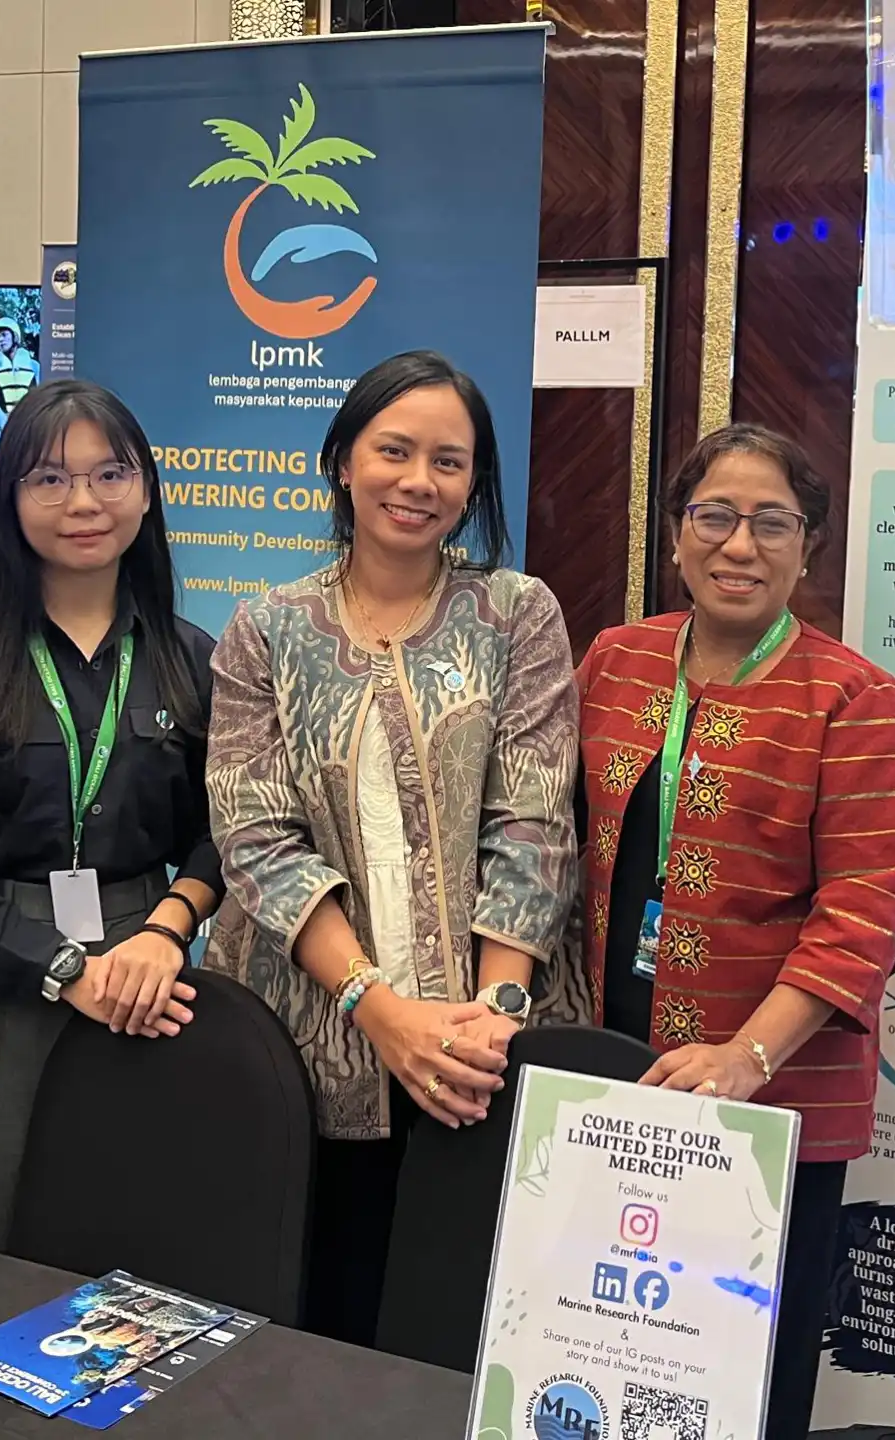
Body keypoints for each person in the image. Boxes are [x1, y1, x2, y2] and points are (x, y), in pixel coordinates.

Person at [205, 350, 585, 1347]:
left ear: (472, 485)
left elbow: (535, 821)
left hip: (485, 1050)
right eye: (395, 451)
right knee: (323, 1316)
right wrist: (376, 1008)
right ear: (342, 461)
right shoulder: (265, 630)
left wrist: (495, 1015)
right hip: (317, 1043)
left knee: (471, 1324)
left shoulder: (517, 614)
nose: (419, 481)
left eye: (449, 462)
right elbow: (255, 838)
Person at [573, 422, 895, 1440]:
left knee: (742, 1379)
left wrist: (746, 1057)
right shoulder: (616, 659)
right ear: (676, 535)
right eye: (715, 516)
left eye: (773, 524)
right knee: (605, 1352)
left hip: (772, 1104)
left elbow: (862, 910)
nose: (740, 545)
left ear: (809, 547)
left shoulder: (853, 698)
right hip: (616, 1080)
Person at [0, 379, 221, 1250]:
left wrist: (167, 930)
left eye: (110, 475)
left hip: (148, 973)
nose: (84, 503)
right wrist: (65, 966)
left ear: (144, 490)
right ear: (8, 498)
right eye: (49, 479)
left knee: (134, 1238)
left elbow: (233, 830)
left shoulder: (192, 660)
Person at [0, 316, 40, 465]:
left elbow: (40, 395)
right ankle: (0, 463)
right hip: (3, 414)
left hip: (26, 416)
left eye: (4, 335)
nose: (1, 340)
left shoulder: (34, 366)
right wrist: (2, 417)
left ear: (15, 336)